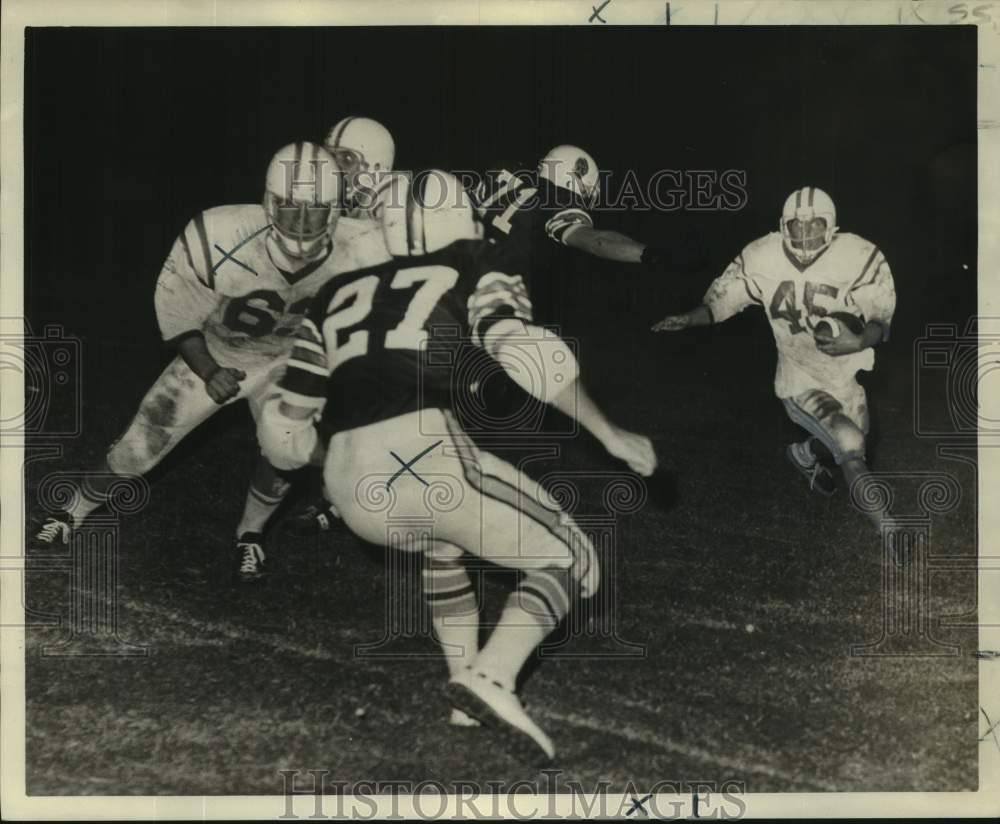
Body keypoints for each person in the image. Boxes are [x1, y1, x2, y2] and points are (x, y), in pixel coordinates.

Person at [258, 170, 656, 760]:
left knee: (444, 542)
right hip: (422, 455)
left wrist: (339, 463)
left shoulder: (336, 291)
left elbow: (284, 432)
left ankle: (461, 688)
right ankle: (491, 678)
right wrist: (610, 434)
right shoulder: (474, 261)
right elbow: (526, 353)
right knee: (572, 558)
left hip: (346, 483)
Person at [28, 142, 390, 583]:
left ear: (335, 211)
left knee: (285, 449)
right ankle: (73, 511)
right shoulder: (220, 234)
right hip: (219, 354)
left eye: (314, 210)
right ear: (268, 203)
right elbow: (180, 315)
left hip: (291, 362)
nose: (300, 221)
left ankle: (250, 535)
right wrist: (209, 371)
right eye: (290, 207)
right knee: (139, 446)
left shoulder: (364, 246)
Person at [652, 186, 896, 529]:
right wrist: (690, 318)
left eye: (814, 225)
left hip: (843, 374)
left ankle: (805, 454)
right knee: (851, 446)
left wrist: (857, 342)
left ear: (831, 226)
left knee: (851, 444)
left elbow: (880, 318)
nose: (806, 232)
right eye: (797, 224)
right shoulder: (762, 255)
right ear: (784, 226)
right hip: (800, 378)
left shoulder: (857, 255)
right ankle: (892, 531)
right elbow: (723, 300)